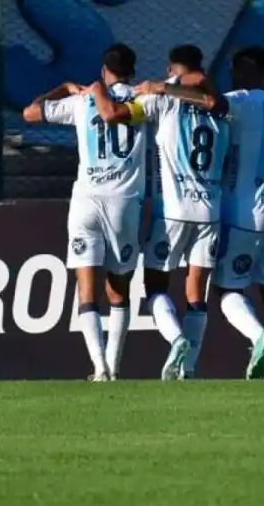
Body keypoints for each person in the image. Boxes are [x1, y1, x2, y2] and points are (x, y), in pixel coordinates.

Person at [141, 47, 264, 380]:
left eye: (235, 71)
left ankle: (257, 335)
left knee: (228, 291)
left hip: (245, 214)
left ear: (244, 71)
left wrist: (162, 87)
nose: (232, 78)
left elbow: (210, 101)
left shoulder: (240, 101)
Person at [88, 45, 230, 380]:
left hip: (174, 210)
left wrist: (110, 93)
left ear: (171, 69)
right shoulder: (219, 106)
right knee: (196, 291)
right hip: (211, 210)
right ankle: (189, 369)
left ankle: (177, 340)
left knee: (155, 287)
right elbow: (206, 89)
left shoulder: (161, 99)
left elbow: (116, 114)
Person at [23, 44, 146, 381]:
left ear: (104, 71)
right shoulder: (143, 100)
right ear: (132, 71)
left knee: (86, 289)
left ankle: (99, 367)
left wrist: (63, 88)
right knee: (119, 290)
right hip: (123, 202)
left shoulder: (82, 101)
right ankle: (114, 367)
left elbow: (30, 113)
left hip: (86, 202)